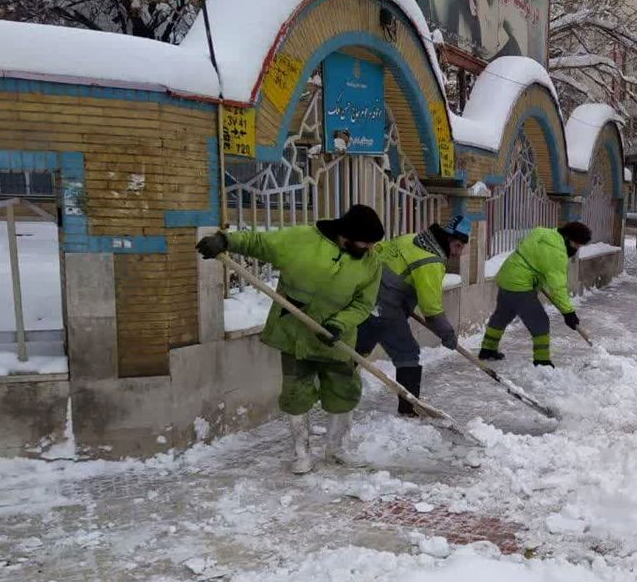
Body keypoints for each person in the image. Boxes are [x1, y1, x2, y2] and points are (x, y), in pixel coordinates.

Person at [196, 204, 385, 475]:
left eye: (371, 245)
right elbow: (259, 242)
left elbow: (363, 303)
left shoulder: (371, 262)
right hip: (295, 333)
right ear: (346, 234)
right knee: (297, 393)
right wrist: (225, 240)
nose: (369, 249)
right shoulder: (302, 239)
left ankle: (338, 449)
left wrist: (338, 324)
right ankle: (301, 453)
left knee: (344, 392)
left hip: (336, 338)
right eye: (364, 243)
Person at [356, 216, 471, 416]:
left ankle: (332, 383)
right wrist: (447, 334)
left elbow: (380, 254)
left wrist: (403, 303)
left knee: (357, 346)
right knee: (407, 353)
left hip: (366, 295)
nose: (458, 254)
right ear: (447, 239)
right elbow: (431, 308)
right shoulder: (432, 260)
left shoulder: (411, 239)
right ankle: (409, 411)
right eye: (458, 246)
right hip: (385, 305)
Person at [479, 222, 592, 367]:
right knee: (540, 321)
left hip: (507, 276)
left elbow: (534, 258)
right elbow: (557, 288)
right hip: (520, 285)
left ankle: (487, 349)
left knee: (502, 315)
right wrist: (568, 313)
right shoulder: (556, 253)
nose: (576, 249)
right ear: (568, 239)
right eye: (577, 245)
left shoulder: (543, 233)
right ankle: (542, 361)